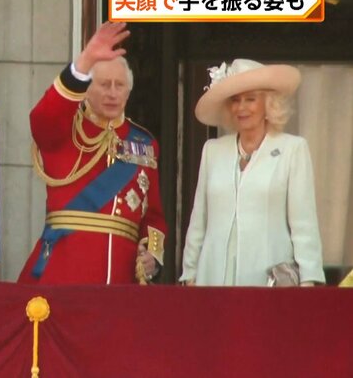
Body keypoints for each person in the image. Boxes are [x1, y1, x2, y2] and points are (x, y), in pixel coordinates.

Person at [17, 22, 167, 285]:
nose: (112, 93)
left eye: (119, 85)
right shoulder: (64, 131)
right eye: (103, 84)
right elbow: (42, 117)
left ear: (129, 91)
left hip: (121, 279)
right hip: (64, 271)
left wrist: (152, 255)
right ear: (85, 89)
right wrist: (84, 63)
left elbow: (153, 215)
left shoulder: (145, 143)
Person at [180, 59, 325, 286]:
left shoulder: (292, 149)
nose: (241, 107)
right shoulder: (213, 151)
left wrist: (308, 281)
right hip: (213, 280)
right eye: (235, 100)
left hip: (269, 282)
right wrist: (189, 274)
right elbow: (199, 220)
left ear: (268, 104)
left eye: (250, 99)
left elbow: (304, 224)